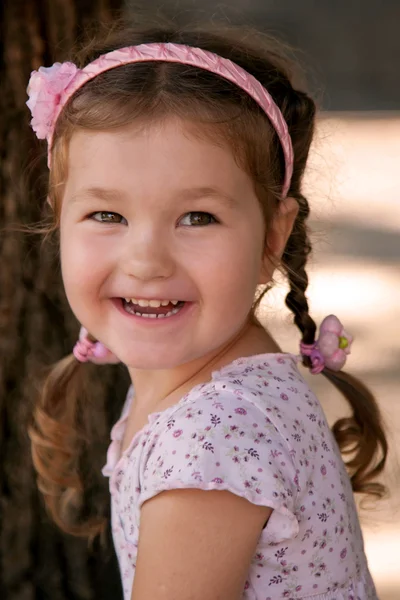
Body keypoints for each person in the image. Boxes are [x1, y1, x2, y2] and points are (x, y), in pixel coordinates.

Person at [26, 19, 388, 600]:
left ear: (273, 236)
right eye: (107, 216)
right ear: (59, 216)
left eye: (198, 217)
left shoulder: (212, 439)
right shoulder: (208, 385)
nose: (146, 260)